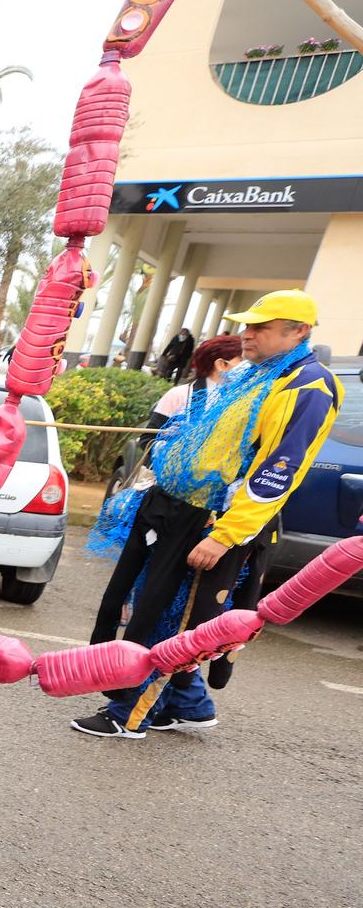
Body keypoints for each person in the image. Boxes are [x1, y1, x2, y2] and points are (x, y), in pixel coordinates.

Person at [74, 291, 340, 738]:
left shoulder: (308, 386)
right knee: (154, 608)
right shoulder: (255, 373)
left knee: (169, 620)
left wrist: (224, 536)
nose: (247, 334)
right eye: (248, 325)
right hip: (176, 509)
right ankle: (189, 703)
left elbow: (278, 470)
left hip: (213, 521)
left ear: (298, 332)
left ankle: (131, 713)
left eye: (261, 327)